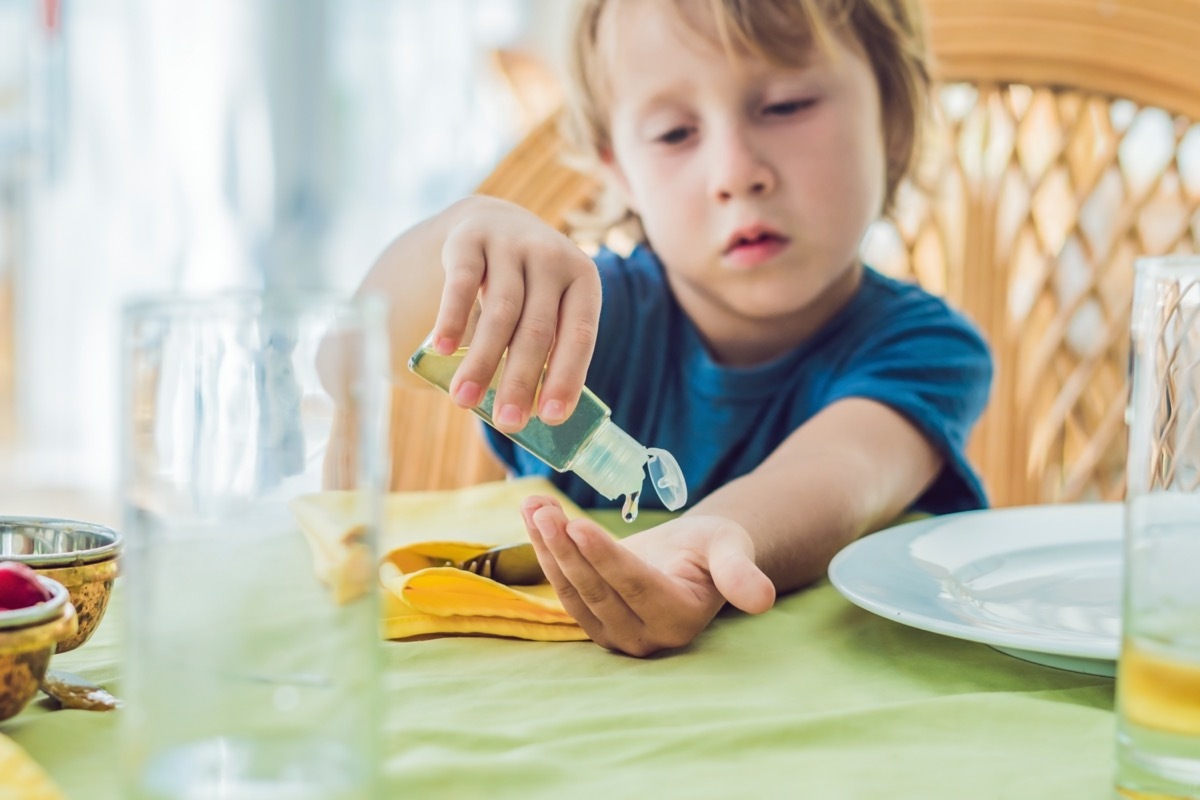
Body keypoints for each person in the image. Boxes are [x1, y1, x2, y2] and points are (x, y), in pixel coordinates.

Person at [356, 0, 992, 657]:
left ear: (890, 117)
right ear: (618, 171)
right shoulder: (583, 325)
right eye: (673, 133)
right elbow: (347, 355)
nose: (736, 172)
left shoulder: (927, 348)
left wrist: (712, 538)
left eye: (786, 105)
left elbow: (844, 471)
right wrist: (457, 234)